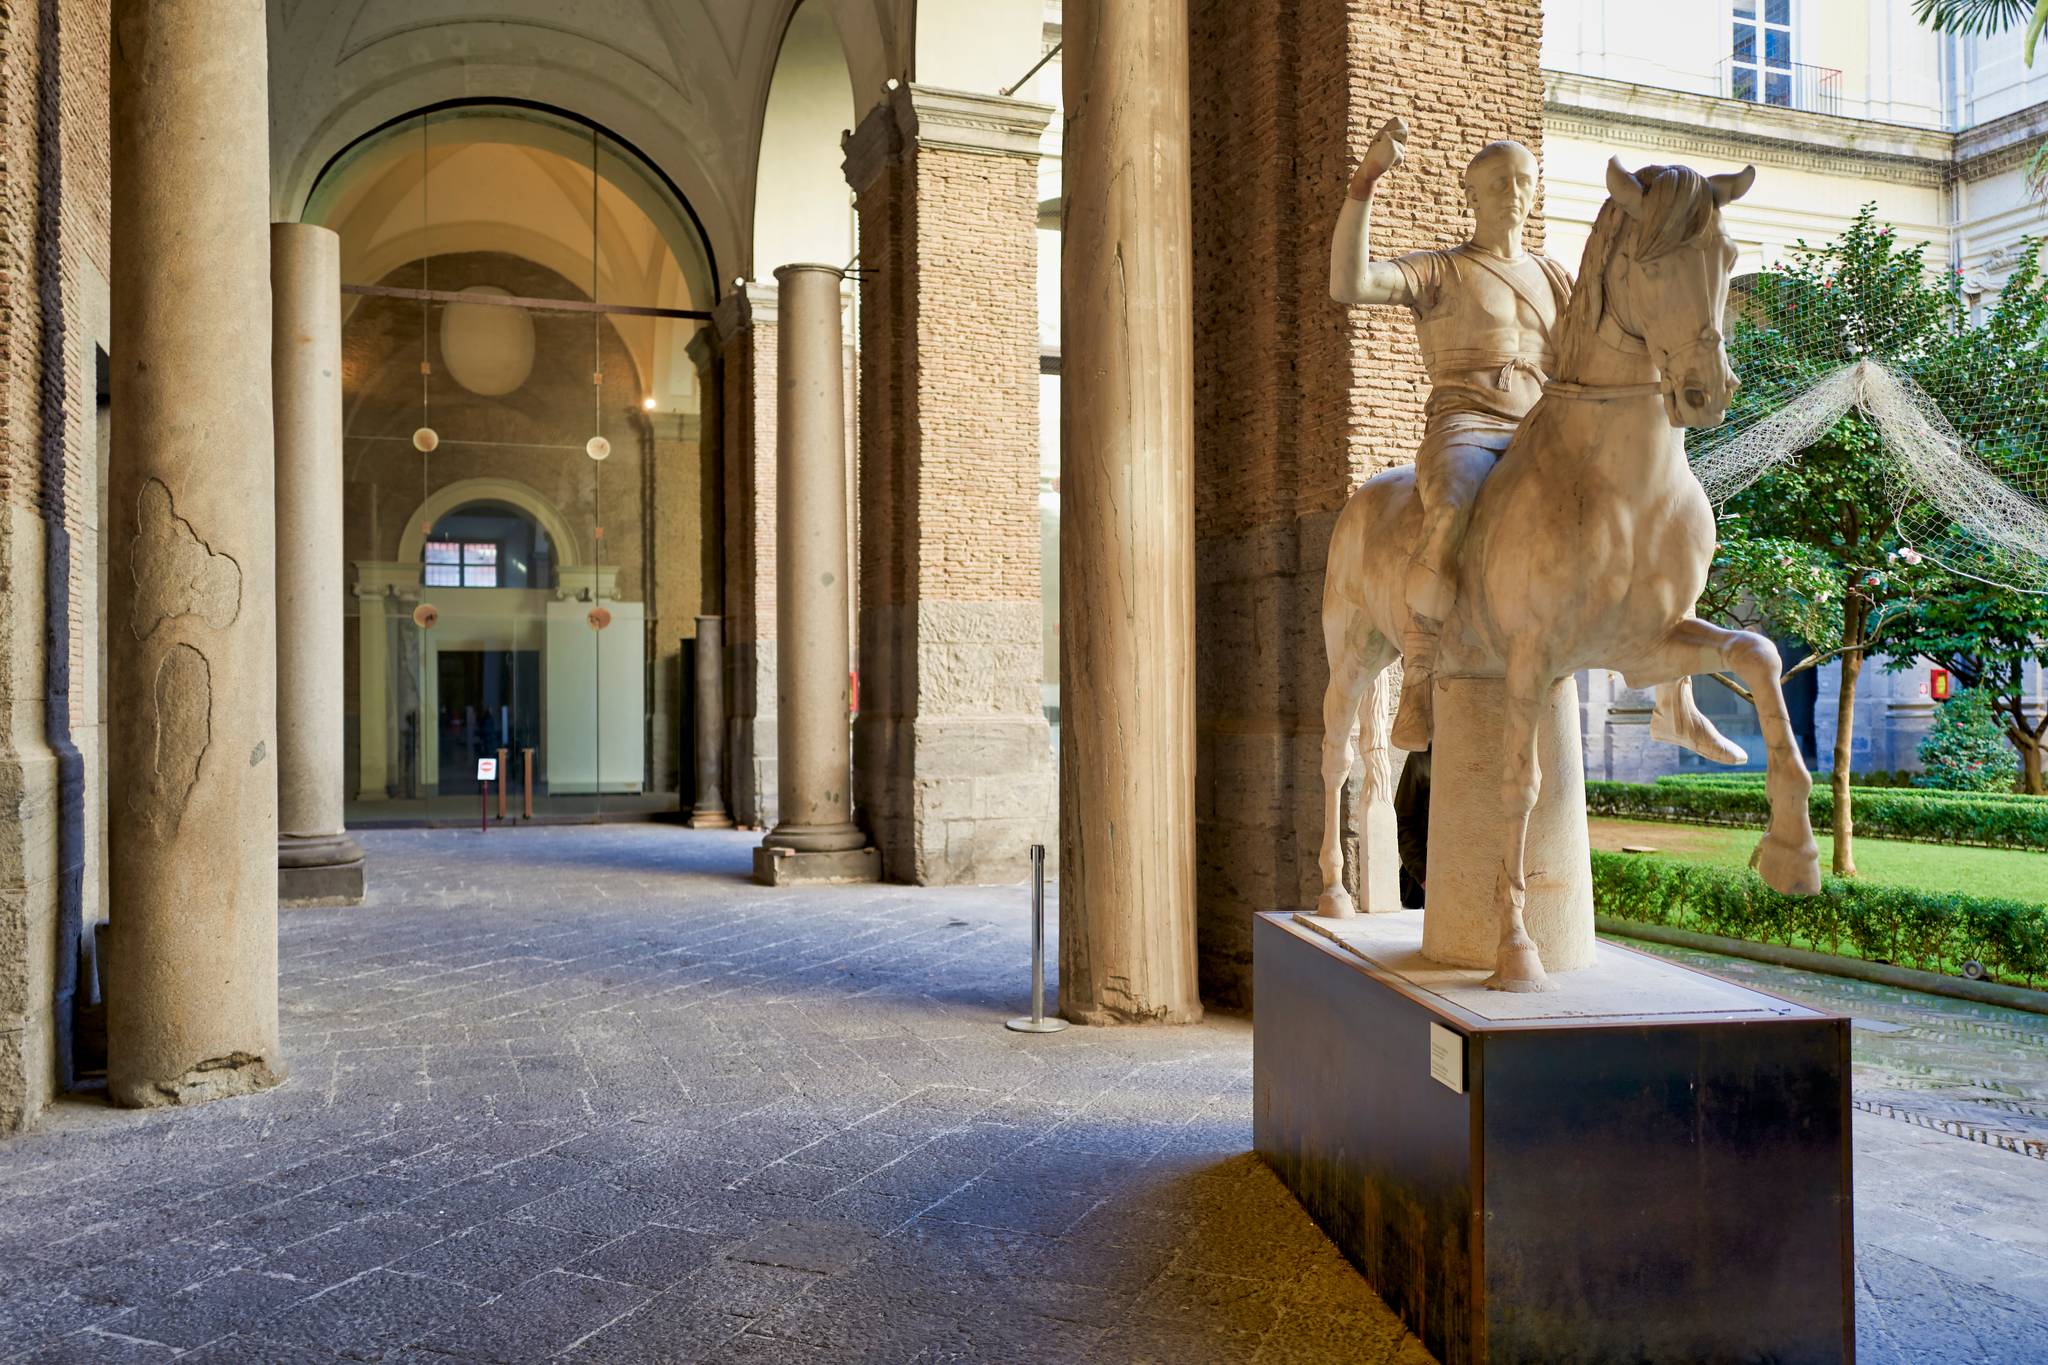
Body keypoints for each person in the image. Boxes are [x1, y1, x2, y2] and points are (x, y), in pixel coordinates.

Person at [1331, 117, 1743, 763]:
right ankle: (1418, 668)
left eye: (1524, 180)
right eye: (1498, 182)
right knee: (1450, 510)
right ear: (1472, 194)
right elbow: (1350, 285)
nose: (1514, 192)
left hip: (1543, 429)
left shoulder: (1555, 277)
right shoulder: (1441, 271)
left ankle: (1674, 694)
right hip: (1468, 424)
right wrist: (1365, 184)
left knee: (1645, 519)